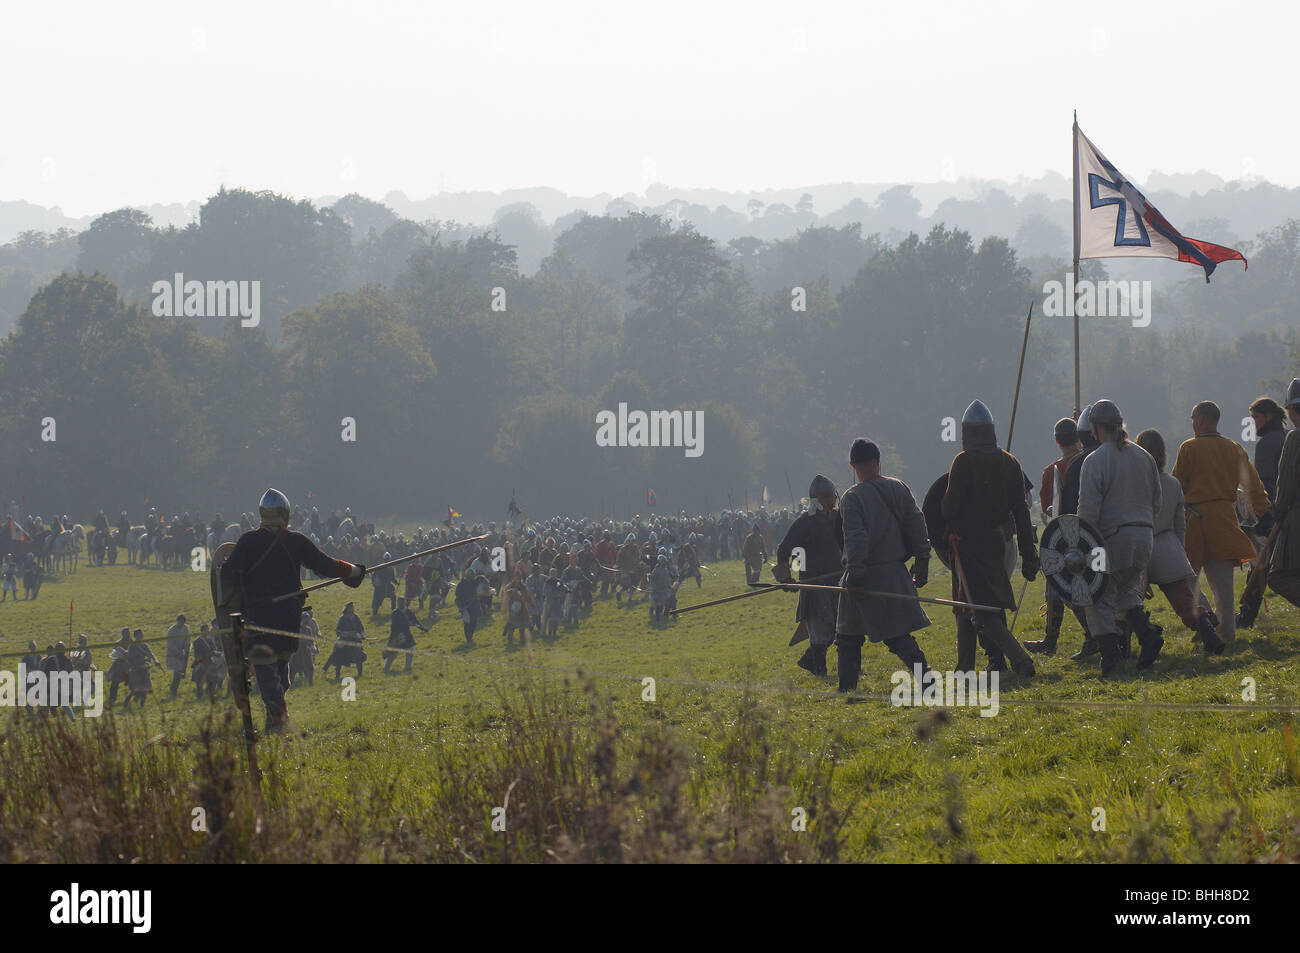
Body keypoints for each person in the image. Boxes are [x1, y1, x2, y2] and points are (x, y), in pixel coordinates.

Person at [217, 488, 365, 733]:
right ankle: (277, 722)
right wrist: (354, 572)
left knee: (274, 676)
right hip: (286, 619)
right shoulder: (295, 541)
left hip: (259, 619)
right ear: (285, 513)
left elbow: (227, 576)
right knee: (274, 674)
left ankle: (276, 722)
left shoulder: (249, 541)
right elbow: (327, 566)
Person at [941, 401, 1039, 678]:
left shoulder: (963, 462)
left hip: (969, 544)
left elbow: (949, 507)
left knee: (983, 611)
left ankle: (1020, 660)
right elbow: (1021, 513)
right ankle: (964, 668)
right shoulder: (1009, 461)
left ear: (967, 433)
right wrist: (1029, 555)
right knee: (972, 604)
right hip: (997, 542)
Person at [835, 438, 932, 693]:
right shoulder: (898, 487)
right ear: (878, 461)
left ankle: (847, 689)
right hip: (894, 574)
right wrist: (922, 559)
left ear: (853, 465)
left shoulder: (852, 497)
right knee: (896, 636)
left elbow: (856, 539)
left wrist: (855, 576)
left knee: (849, 639)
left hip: (863, 576)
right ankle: (927, 682)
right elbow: (916, 522)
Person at [1170, 401, 1270, 646]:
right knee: (1223, 586)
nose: (1192, 424)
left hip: (1193, 521)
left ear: (1202, 420)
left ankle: (1207, 619)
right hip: (1224, 520)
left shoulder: (1188, 448)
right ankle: (1227, 634)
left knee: (1186, 580)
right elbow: (1253, 486)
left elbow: (1175, 488)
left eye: (1193, 419)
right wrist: (1265, 513)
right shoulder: (1233, 448)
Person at [1077, 400, 1164, 674]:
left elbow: (1088, 512)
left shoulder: (1095, 460)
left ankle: (1110, 659)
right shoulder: (1144, 456)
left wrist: (1082, 547)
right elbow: (1157, 501)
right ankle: (1148, 636)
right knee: (1126, 589)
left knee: (1098, 596)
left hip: (1112, 539)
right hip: (1144, 536)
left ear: (1094, 428)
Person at [1134, 429, 1226, 653]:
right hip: (1167, 546)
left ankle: (1124, 646)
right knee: (1185, 601)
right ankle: (1207, 631)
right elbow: (1179, 525)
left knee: (1127, 601)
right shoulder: (1173, 484)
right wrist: (1178, 552)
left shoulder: (1133, 484)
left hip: (1138, 545)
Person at [773, 474, 843, 677]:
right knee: (821, 631)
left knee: (840, 628)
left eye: (833, 496)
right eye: (828, 497)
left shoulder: (839, 518)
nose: (833, 500)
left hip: (837, 581)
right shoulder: (805, 522)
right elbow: (784, 549)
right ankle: (819, 669)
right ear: (818, 500)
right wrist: (785, 578)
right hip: (815, 585)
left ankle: (809, 661)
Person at [1025, 417, 1083, 655]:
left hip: (1064, 538)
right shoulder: (1090, 460)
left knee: (1058, 588)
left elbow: (1048, 508)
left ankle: (1053, 640)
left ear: (1057, 440)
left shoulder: (1052, 471)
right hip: (1093, 534)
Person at [1267, 378, 1300, 609]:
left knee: (1278, 577)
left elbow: (1286, 485)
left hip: (1297, 520)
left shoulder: (1295, 438)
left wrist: (1277, 515)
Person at [383, 597, 427, 673]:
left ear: (405, 602)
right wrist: (408, 623)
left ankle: (407, 667)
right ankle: (386, 669)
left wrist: (423, 628)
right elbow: (396, 624)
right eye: (399, 602)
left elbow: (415, 621)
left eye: (402, 602)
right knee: (393, 653)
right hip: (396, 635)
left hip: (406, 634)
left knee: (410, 650)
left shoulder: (408, 612)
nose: (401, 604)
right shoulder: (395, 613)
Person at [324, 602, 367, 678]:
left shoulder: (356, 617)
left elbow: (361, 628)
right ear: (347, 609)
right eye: (350, 607)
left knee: (359, 655)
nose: (352, 609)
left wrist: (362, 635)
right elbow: (338, 631)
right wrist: (347, 633)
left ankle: (360, 674)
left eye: (353, 607)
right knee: (338, 655)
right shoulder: (342, 618)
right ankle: (336, 674)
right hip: (344, 640)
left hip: (355, 641)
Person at [123, 628, 161, 710]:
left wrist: (156, 661)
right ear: (136, 636)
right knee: (135, 690)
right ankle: (127, 702)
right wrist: (136, 665)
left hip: (144, 669)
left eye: (142, 635)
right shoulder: (132, 647)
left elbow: (151, 654)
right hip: (135, 670)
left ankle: (142, 705)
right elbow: (130, 659)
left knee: (145, 689)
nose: (141, 637)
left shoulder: (144, 645)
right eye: (139, 636)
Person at [501, 570, 535, 647]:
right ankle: (510, 641)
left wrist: (531, 603)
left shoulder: (523, 586)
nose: (518, 578)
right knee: (512, 625)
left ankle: (522, 641)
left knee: (522, 625)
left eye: (519, 577)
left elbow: (527, 596)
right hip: (512, 607)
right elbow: (505, 594)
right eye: (516, 576)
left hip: (522, 608)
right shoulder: (510, 586)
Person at [291, 607, 319, 686]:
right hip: (296, 650)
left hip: (306, 650)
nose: (305, 621)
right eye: (304, 619)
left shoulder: (308, 629)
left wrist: (313, 646)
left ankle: (310, 682)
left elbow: (311, 641)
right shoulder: (295, 629)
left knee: (310, 667)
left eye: (306, 620)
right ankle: (291, 682)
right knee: (293, 668)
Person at [165, 614, 191, 698]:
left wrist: (186, 648)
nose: (182, 624)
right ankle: (173, 690)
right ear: (177, 621)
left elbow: (188, 639)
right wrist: (178, 651)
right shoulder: (171, 630)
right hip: (174, 655)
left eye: (183, 623)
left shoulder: (186, 628)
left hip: (183, 653)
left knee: (180, 673)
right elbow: (170, 644)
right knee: (177, 672)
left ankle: (173, 688)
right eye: (181, 622)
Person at [105, 629, 131, 706]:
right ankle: (112, 698)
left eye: (128, 633)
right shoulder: (118, 642)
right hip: (119, 665)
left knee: (133, 680)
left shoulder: (132, 642)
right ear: (123, 634)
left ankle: (135, 696)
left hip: (129, 665)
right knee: (115, 682)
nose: (128, 635)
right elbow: (116, 647)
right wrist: (124, 652)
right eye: (126, 633)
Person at [455, 569, 481, 643]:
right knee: (467, 622)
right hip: (465, 606)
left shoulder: (475, 583)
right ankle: (468, 638)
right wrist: (461, 605)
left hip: (474, 605)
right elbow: (458, 595)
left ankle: (471, 636)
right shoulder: (461, 584)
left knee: (474, 622)